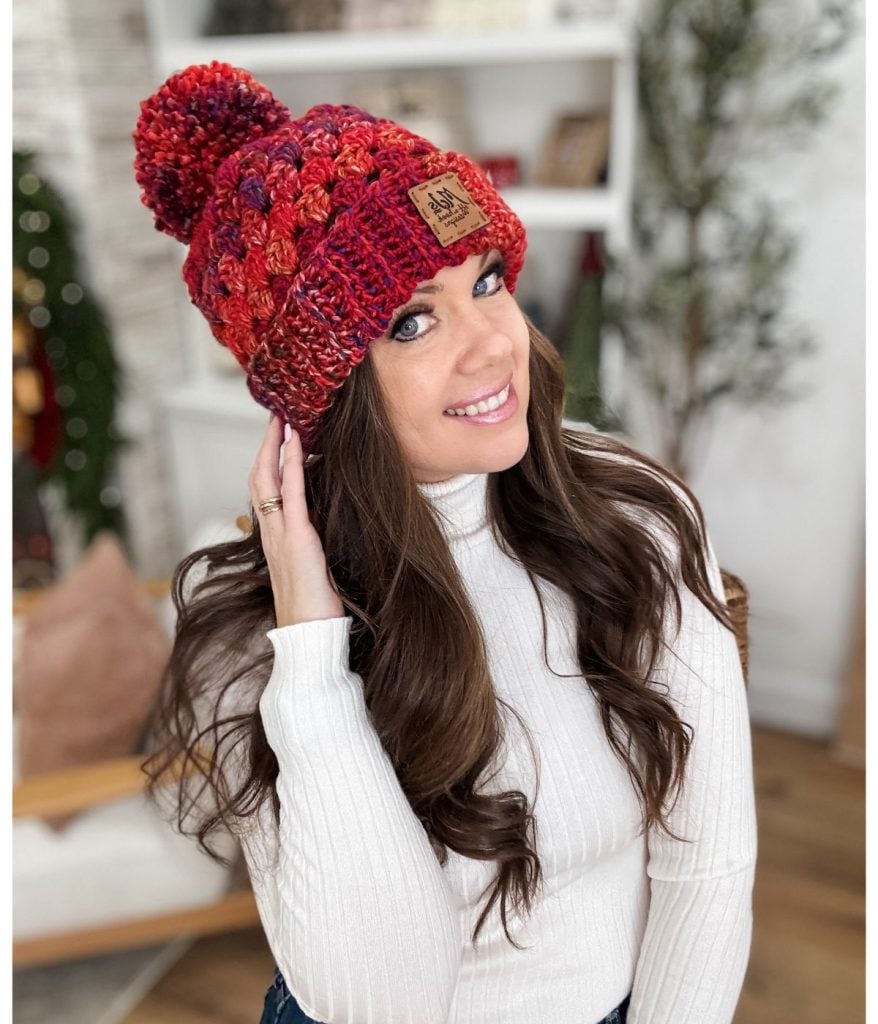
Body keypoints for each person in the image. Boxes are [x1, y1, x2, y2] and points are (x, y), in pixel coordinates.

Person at [132, 62, 757, 1024]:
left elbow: (706, 867)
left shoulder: (637, 522)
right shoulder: (246, 640)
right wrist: (314, 667)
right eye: (414, 320)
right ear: (324, 390)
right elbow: (380, 1003)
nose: (493, 344)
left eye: (490, 281)